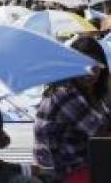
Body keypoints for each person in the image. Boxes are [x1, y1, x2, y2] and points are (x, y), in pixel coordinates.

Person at [35, 36, 111, 183]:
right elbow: (100, 134)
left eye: (96, 66)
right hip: (62, 170)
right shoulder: (65, 93)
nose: (90, 73)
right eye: (84, 66)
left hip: (74, 164)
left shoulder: (81, 92)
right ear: (72, 66)